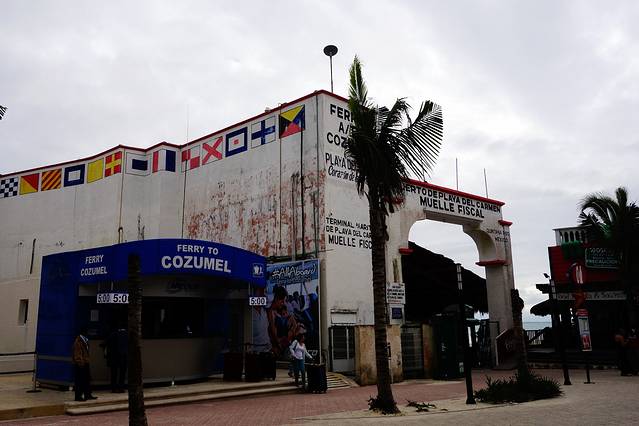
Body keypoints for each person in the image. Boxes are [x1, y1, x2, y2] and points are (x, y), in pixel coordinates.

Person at [72, 327, 97, 401]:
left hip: (85, 362)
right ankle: (78, 396)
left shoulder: (85, 340)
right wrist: (80, 362)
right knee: (80, 381)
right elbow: (77, 353)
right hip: (80, 364)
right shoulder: (78, 341)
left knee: (87, 380)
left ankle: (87, 394)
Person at [103, 325, 128, 393]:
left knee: (114, 373)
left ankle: (113, 388)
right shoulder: (127, 335)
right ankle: (121, 387)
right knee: (122, 373)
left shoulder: (113, 334)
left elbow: (104, 343)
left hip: (114, 357)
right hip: (124, 357)